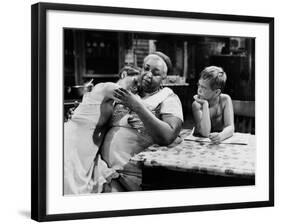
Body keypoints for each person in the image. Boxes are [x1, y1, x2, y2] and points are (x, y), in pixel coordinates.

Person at [101, 52, 184, 191]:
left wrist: (138, 106)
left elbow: (168, 136)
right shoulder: (129, 92)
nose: (148, 75)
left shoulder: (168, 98)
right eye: (146, 69)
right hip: (103, 167)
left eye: (156, 73)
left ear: (164, 77)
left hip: (131, 175)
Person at [63, 66, 140, 195]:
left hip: (89, 153)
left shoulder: (114, 104)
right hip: (72, 145)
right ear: (124, 74)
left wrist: (129, 120)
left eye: (139, 86)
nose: (136, 88)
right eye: (135, 81)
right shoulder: (105, 87)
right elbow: (131, 99)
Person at [192, 66, 234, 144]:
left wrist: (221, 136)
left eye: (204, 88)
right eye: (199, 85)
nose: (199, 90)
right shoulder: (197, 104)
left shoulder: (225, 100)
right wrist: (205, 105)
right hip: (200, 145)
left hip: (217, 144)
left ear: (217, 92)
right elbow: (205, 133)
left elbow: (230, 127)